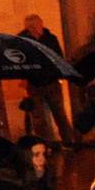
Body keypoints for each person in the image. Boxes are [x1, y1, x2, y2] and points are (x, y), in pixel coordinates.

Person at [19, 14, 75, 146]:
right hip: (34, 83)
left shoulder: (50, 39)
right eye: (32, 27)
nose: (37, 29)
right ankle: (45, 144)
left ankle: (68, 141)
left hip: (51, 81)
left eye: (37, 25)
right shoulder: (22, 41)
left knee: (59, 113)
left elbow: (58, 57)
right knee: (39, 118)